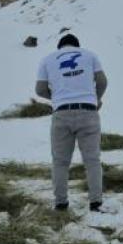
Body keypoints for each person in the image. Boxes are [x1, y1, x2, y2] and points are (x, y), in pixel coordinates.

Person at [34, 33, 108, 212]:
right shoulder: (90, 55)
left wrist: (57, 98)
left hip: (61, 115)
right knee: (92, 160)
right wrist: (95, 99)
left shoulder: (47, 60)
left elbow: (40, 89)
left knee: (60, 162)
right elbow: (102, 81)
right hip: (88, 112)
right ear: (77, 46)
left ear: (60, 47)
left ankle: (61, 203)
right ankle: (95, 203)